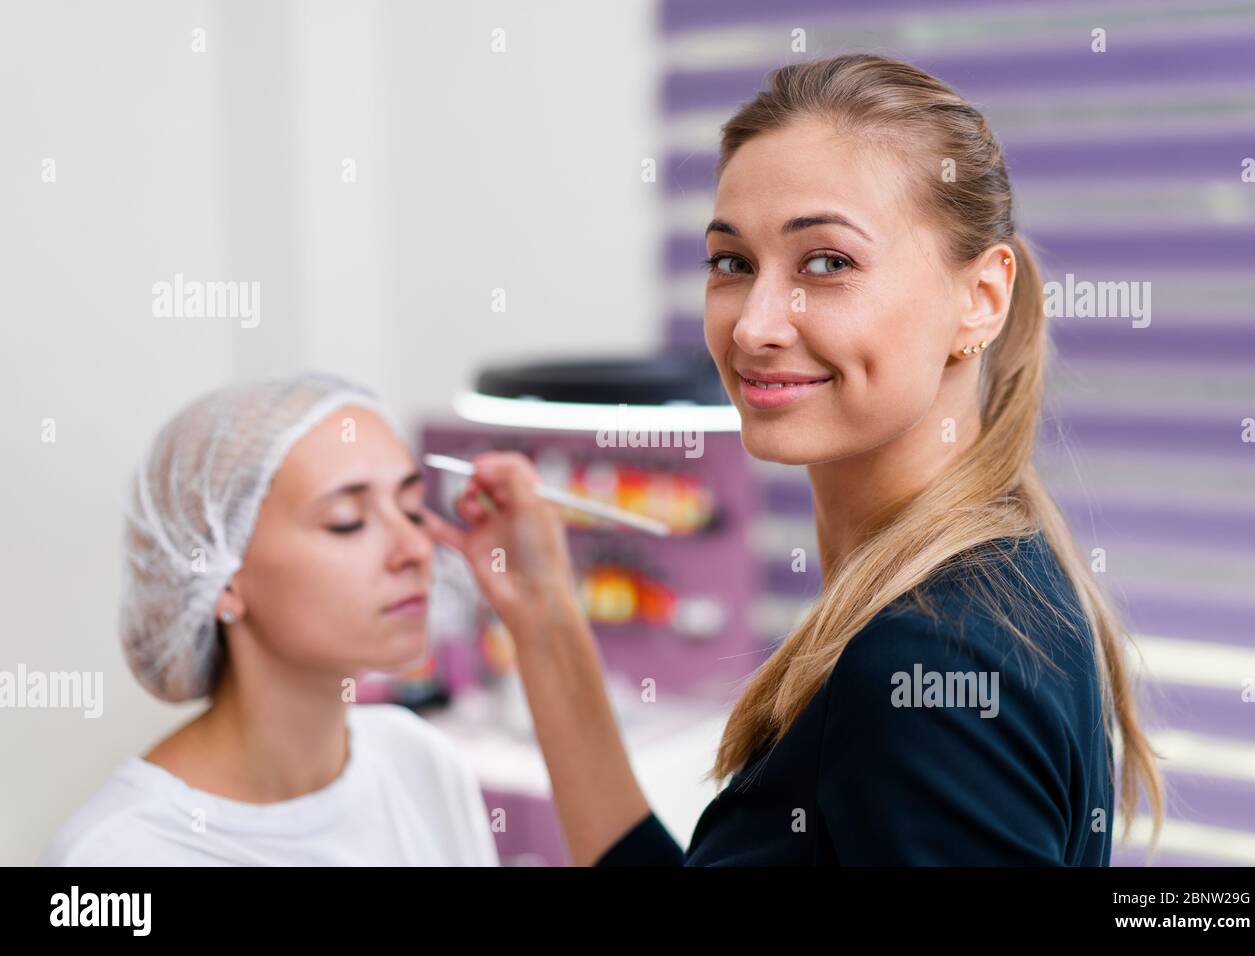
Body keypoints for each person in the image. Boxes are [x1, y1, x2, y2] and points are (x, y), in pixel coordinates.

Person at [423, 54, 1164, 866]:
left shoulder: (927, 665)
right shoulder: (993, 581)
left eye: (827, 262)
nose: (754, 326)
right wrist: (544, 616)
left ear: (980, 299)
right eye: (732, 264)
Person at [40, 372, 498, 866]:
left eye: (410, 510)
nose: (415, 549)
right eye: (347, 521)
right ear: (220, 575)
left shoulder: (421, 762)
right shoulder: (118, 855)